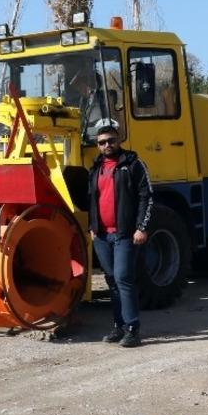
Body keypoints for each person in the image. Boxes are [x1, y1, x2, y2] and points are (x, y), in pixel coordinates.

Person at [88, 125, 153, 348]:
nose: (107, 145)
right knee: (111, 281)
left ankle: (133, 330)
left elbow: (147, 197)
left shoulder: (133, 165)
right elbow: (92, 199)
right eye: (102, 142)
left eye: (111, 140)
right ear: (98, 145)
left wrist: (141, 227)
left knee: (123, 278)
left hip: (125, 234)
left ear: (119, 140)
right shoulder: (96, 167)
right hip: (102, 235)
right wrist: (93, 227)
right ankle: (118, 326)